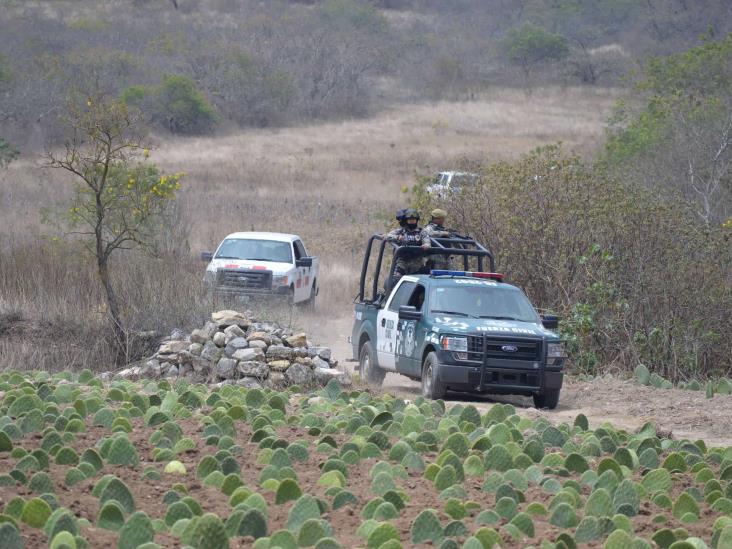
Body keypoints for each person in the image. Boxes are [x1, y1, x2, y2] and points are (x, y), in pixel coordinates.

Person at [384, 208, 431, 280]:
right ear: (406, 220)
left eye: (414, 220)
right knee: (394, 281)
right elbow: (387, 236)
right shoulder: (401, 231)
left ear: (417, 220)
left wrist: (426, 245)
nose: (412, 222)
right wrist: (397, 237)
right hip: (402, 262)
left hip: (417, 263)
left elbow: (426, 240)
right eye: (410, 220)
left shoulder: (421, 232)